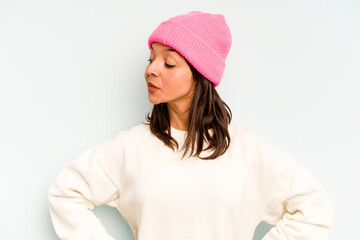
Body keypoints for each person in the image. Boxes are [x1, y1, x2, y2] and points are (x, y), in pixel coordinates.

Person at [47, 11, 336, 240]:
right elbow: (66, 193)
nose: (151, 69)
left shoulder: (247, 151)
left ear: (200, 75)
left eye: (169, 63)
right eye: (151, 59)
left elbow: (315, 209)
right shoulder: (131, 148)